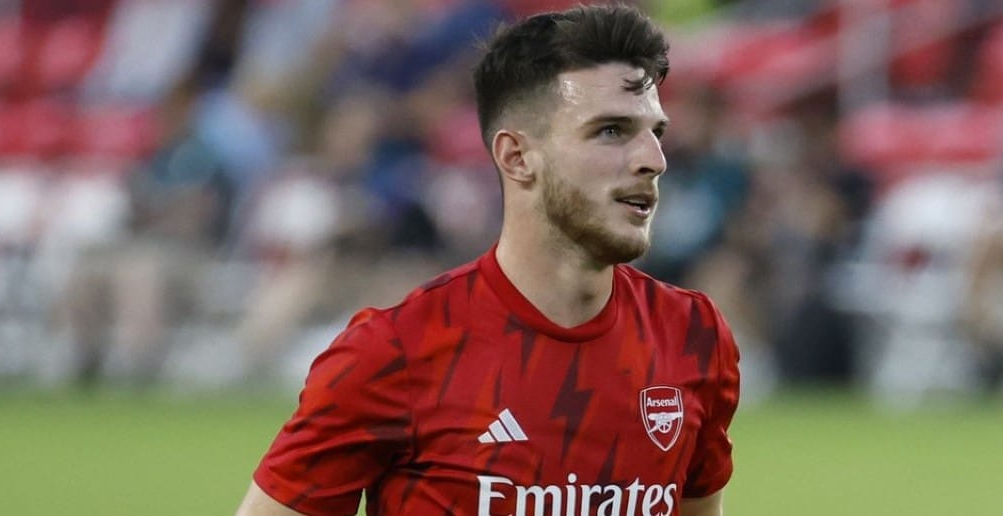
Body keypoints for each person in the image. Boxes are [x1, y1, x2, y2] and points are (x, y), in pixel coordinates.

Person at [235, 5, 740, 515]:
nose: (653, 159)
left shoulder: (693, 336)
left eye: (656, 132)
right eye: (611, 131)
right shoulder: (395, 352)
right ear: (516, 157)